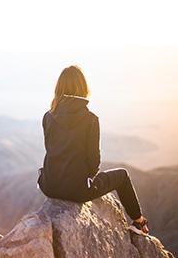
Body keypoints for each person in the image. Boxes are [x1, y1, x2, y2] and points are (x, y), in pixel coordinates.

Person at [37, 65, 149, 235]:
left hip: (49, 185)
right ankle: (139, 222)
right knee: (123, 175)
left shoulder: (47, 116)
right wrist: (87, 179)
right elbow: (94, 162)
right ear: (83, 88)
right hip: (77, 190)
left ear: (58, 88)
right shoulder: (90, 119)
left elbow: (51, 149)